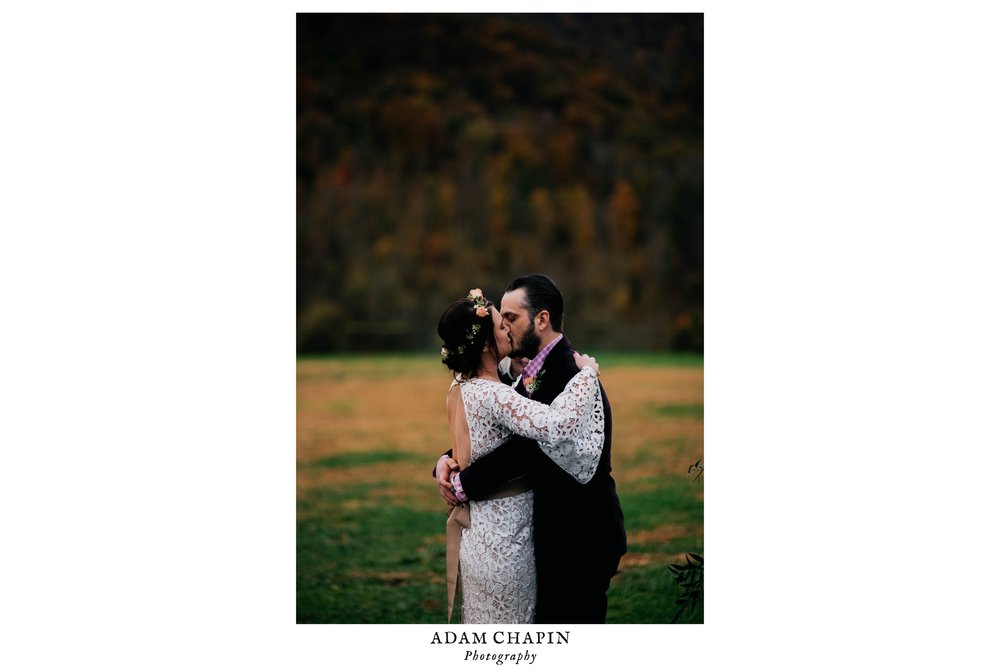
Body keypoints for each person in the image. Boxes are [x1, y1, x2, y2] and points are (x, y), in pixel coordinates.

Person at [436, 275, 627, 623]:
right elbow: (496, 431)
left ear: (542, 319)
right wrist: (448, 460)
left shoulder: (570, 373)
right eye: (501, 320)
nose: (505, 328)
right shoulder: (517, 376)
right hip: (536, 538)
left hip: (578, 538)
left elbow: (526, 448)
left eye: (512, 319)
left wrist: (464, 482)